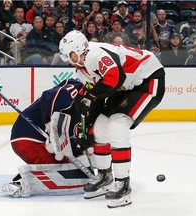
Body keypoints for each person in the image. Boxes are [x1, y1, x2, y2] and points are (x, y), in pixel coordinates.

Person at [59, 30, 165, 208]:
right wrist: (87, 127)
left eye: (70, 55)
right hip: (125, 86)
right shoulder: (81, 69)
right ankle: (105, 175)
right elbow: (97, 95)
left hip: (147, 79)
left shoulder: (96, 55)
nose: (69, 60)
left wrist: (89, 96)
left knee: (117, 124)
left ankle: (123, 183)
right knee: (100, 127)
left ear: (79, 49)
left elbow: (115, 78)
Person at [0, 79, 92, 197]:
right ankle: (21, 184)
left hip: (33, 140)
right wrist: (49, 123)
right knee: (66, 170)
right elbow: (50, 95)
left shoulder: (88, 110)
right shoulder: (77, 88)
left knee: (75, 163)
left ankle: (24, 179)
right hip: (27, 139)